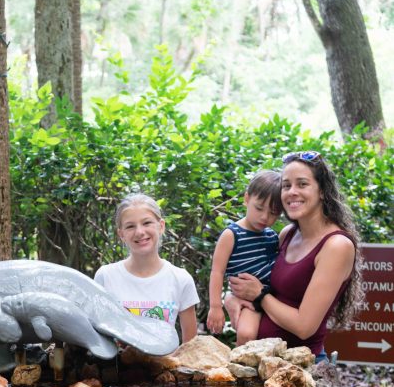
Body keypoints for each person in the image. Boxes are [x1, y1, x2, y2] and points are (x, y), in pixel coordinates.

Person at [228, 152, 362, 359]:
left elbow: (304, 326)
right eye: (286, 185)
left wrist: (260, 296)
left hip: (299, 369)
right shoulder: (287, 235)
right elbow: (261, 285)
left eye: (302, 184)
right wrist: (233, 299)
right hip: (262, 361)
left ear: (323, 191)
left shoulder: (336, 246)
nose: (292, 192)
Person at [94, 192, 199, 347]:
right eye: (130, 226)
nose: (140, 232)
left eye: (147, 223)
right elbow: (98, 339)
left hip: (164, 369)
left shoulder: (180, 278)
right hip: (116, 369)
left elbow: (191, 347)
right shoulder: (106, 276)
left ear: (161, 226)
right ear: (121, 234)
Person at [207, 170, 282, 345]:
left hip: (272, 299)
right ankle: (241, 369)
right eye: (259, 208)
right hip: (248, 300)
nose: (265, 217)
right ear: (247, 199)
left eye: (273, 213)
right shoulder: (232, 234)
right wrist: (215, 306)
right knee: (247, 334)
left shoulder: (272, 236)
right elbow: (217, 272)